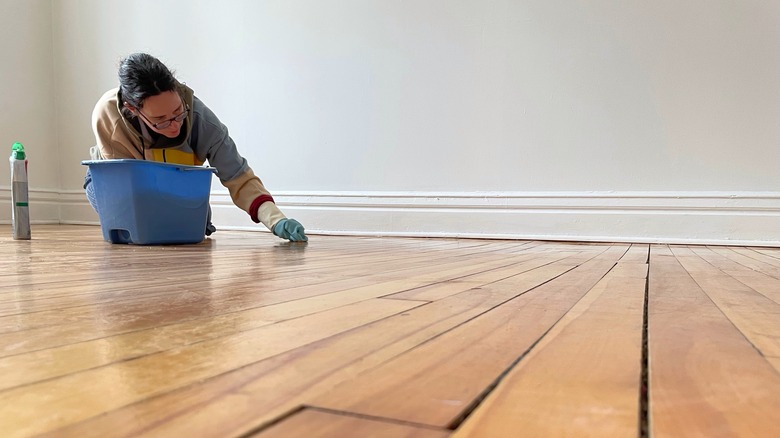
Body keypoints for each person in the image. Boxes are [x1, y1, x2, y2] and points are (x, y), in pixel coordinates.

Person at [84, 53, 307, 242]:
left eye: (177, 112)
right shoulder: (108, 116)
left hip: (175, 184)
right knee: (133, 235)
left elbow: (237, 175)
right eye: (160, 119)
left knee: (197, 229)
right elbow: (125, 186)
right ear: (132, 110)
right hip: (116, 183)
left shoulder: (201, 119)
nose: (174, 125)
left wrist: (276, 220)